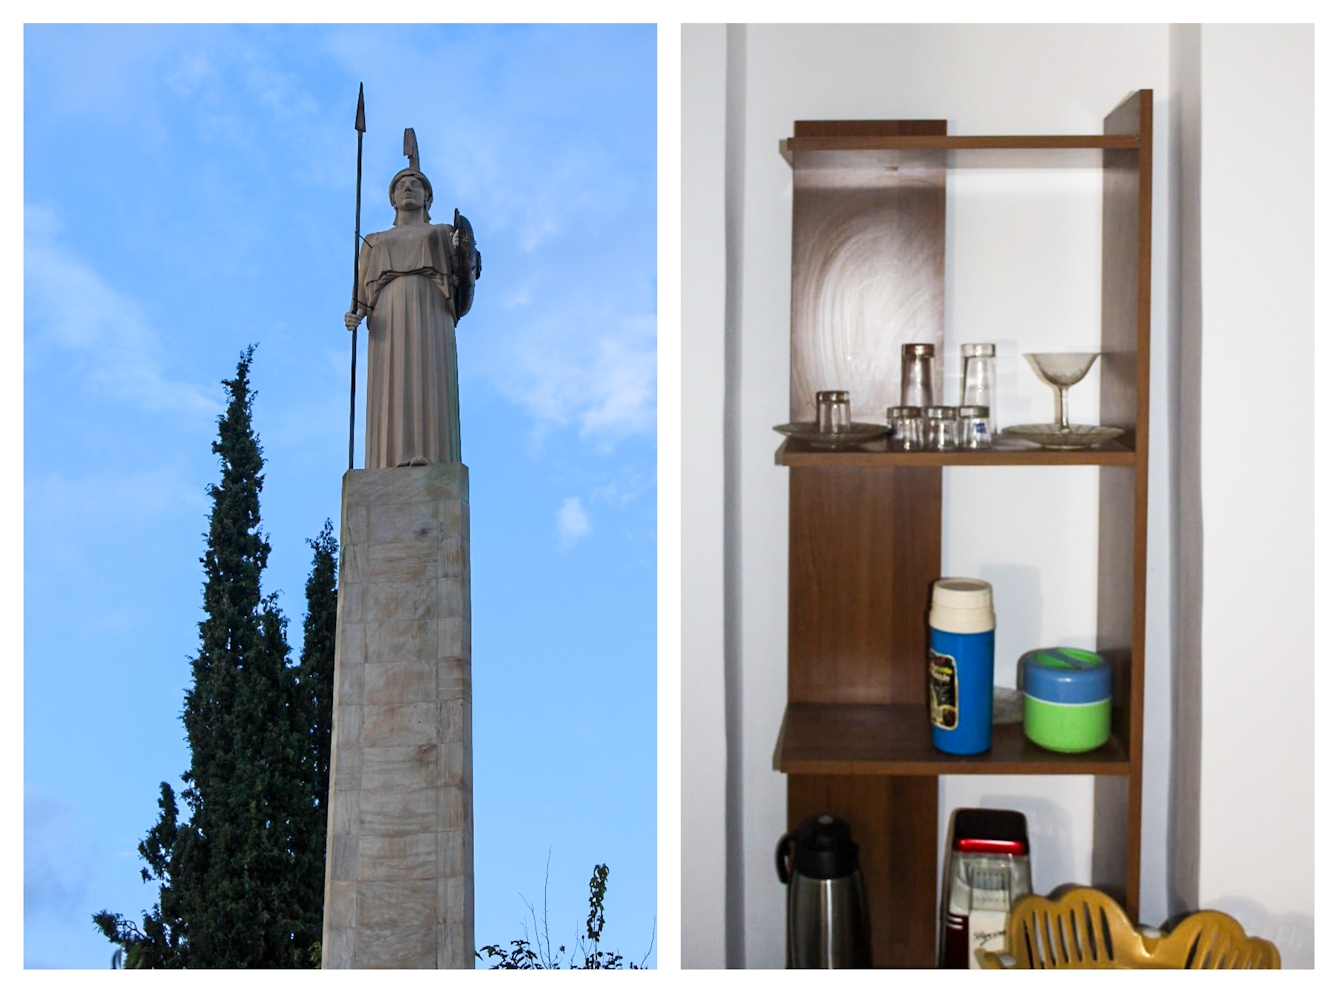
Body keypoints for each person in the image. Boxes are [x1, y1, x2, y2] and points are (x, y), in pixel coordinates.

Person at [344, 155, 478, 468]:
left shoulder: (444, 232)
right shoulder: (375, 242)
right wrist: (355, 314)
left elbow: (468, 271)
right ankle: (386, 462)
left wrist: (461, 249)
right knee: (391, 387)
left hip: (432, 311)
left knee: (429, 379)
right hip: (387, 318)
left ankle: (433, 458)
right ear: (391, 198)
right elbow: (360, 295)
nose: (408, 188)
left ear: (427, 197)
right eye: (401, 185)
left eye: (415, 184)